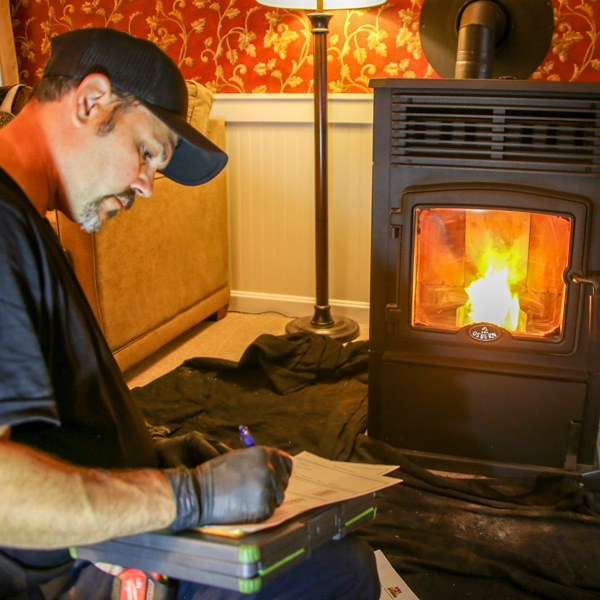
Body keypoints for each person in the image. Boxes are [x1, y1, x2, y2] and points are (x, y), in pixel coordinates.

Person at [0, 28, 380, 600]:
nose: (147, 185)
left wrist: (151, 459)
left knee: (330, 543)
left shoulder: (28, 221)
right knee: (335, 569)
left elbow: (49, 429)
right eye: (147, 152)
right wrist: (187, 497)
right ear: (90, 101)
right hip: (74, 569)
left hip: (108, 531)